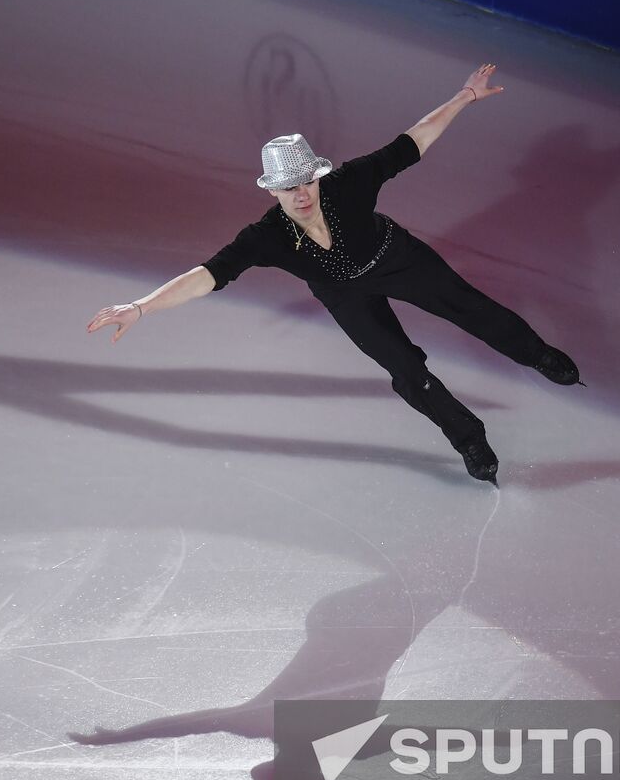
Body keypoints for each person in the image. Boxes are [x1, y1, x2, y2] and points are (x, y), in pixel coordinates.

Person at [87, 64, 580, 485]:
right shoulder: (266, 236)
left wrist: (465, 96)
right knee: (405, 371)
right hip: (343, 292)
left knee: (469, 308)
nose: (301, 194)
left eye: (306, 182)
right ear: (272, 192)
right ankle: (470, 440)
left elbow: (412, 141)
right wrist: (140, 307)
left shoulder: (347, 185)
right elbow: (206, 275)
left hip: (396, 258)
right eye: (288, 188)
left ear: (317, 176)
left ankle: (536, 353)